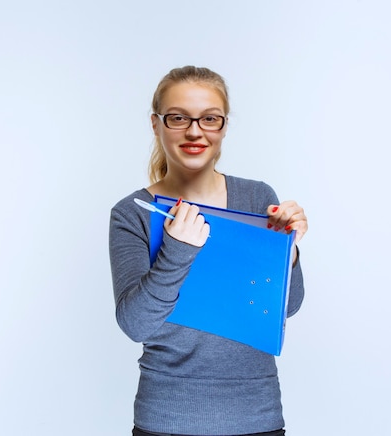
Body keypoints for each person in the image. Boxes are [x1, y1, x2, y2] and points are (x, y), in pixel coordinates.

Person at [109, 66, 308, 436]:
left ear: (224, 126)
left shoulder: (258, 198)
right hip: (166, 421)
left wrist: (289, 253)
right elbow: (135, 324)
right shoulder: (132, 212)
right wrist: (177, 251)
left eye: (209, 119)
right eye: (179, 118)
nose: (195, 130)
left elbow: (288, 306)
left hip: (258, 418)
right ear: (156, 124)